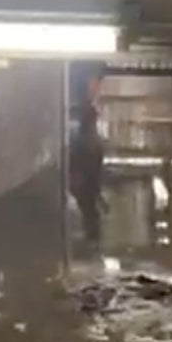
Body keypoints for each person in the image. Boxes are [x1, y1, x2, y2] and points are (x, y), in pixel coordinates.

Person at [68, 79, 105, 244]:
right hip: (85, 181)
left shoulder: (84, 139)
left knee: (87, 208)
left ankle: (90, 237)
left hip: (83, 181)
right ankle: (91, 238)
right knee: (89, 208)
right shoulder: (91, 140)